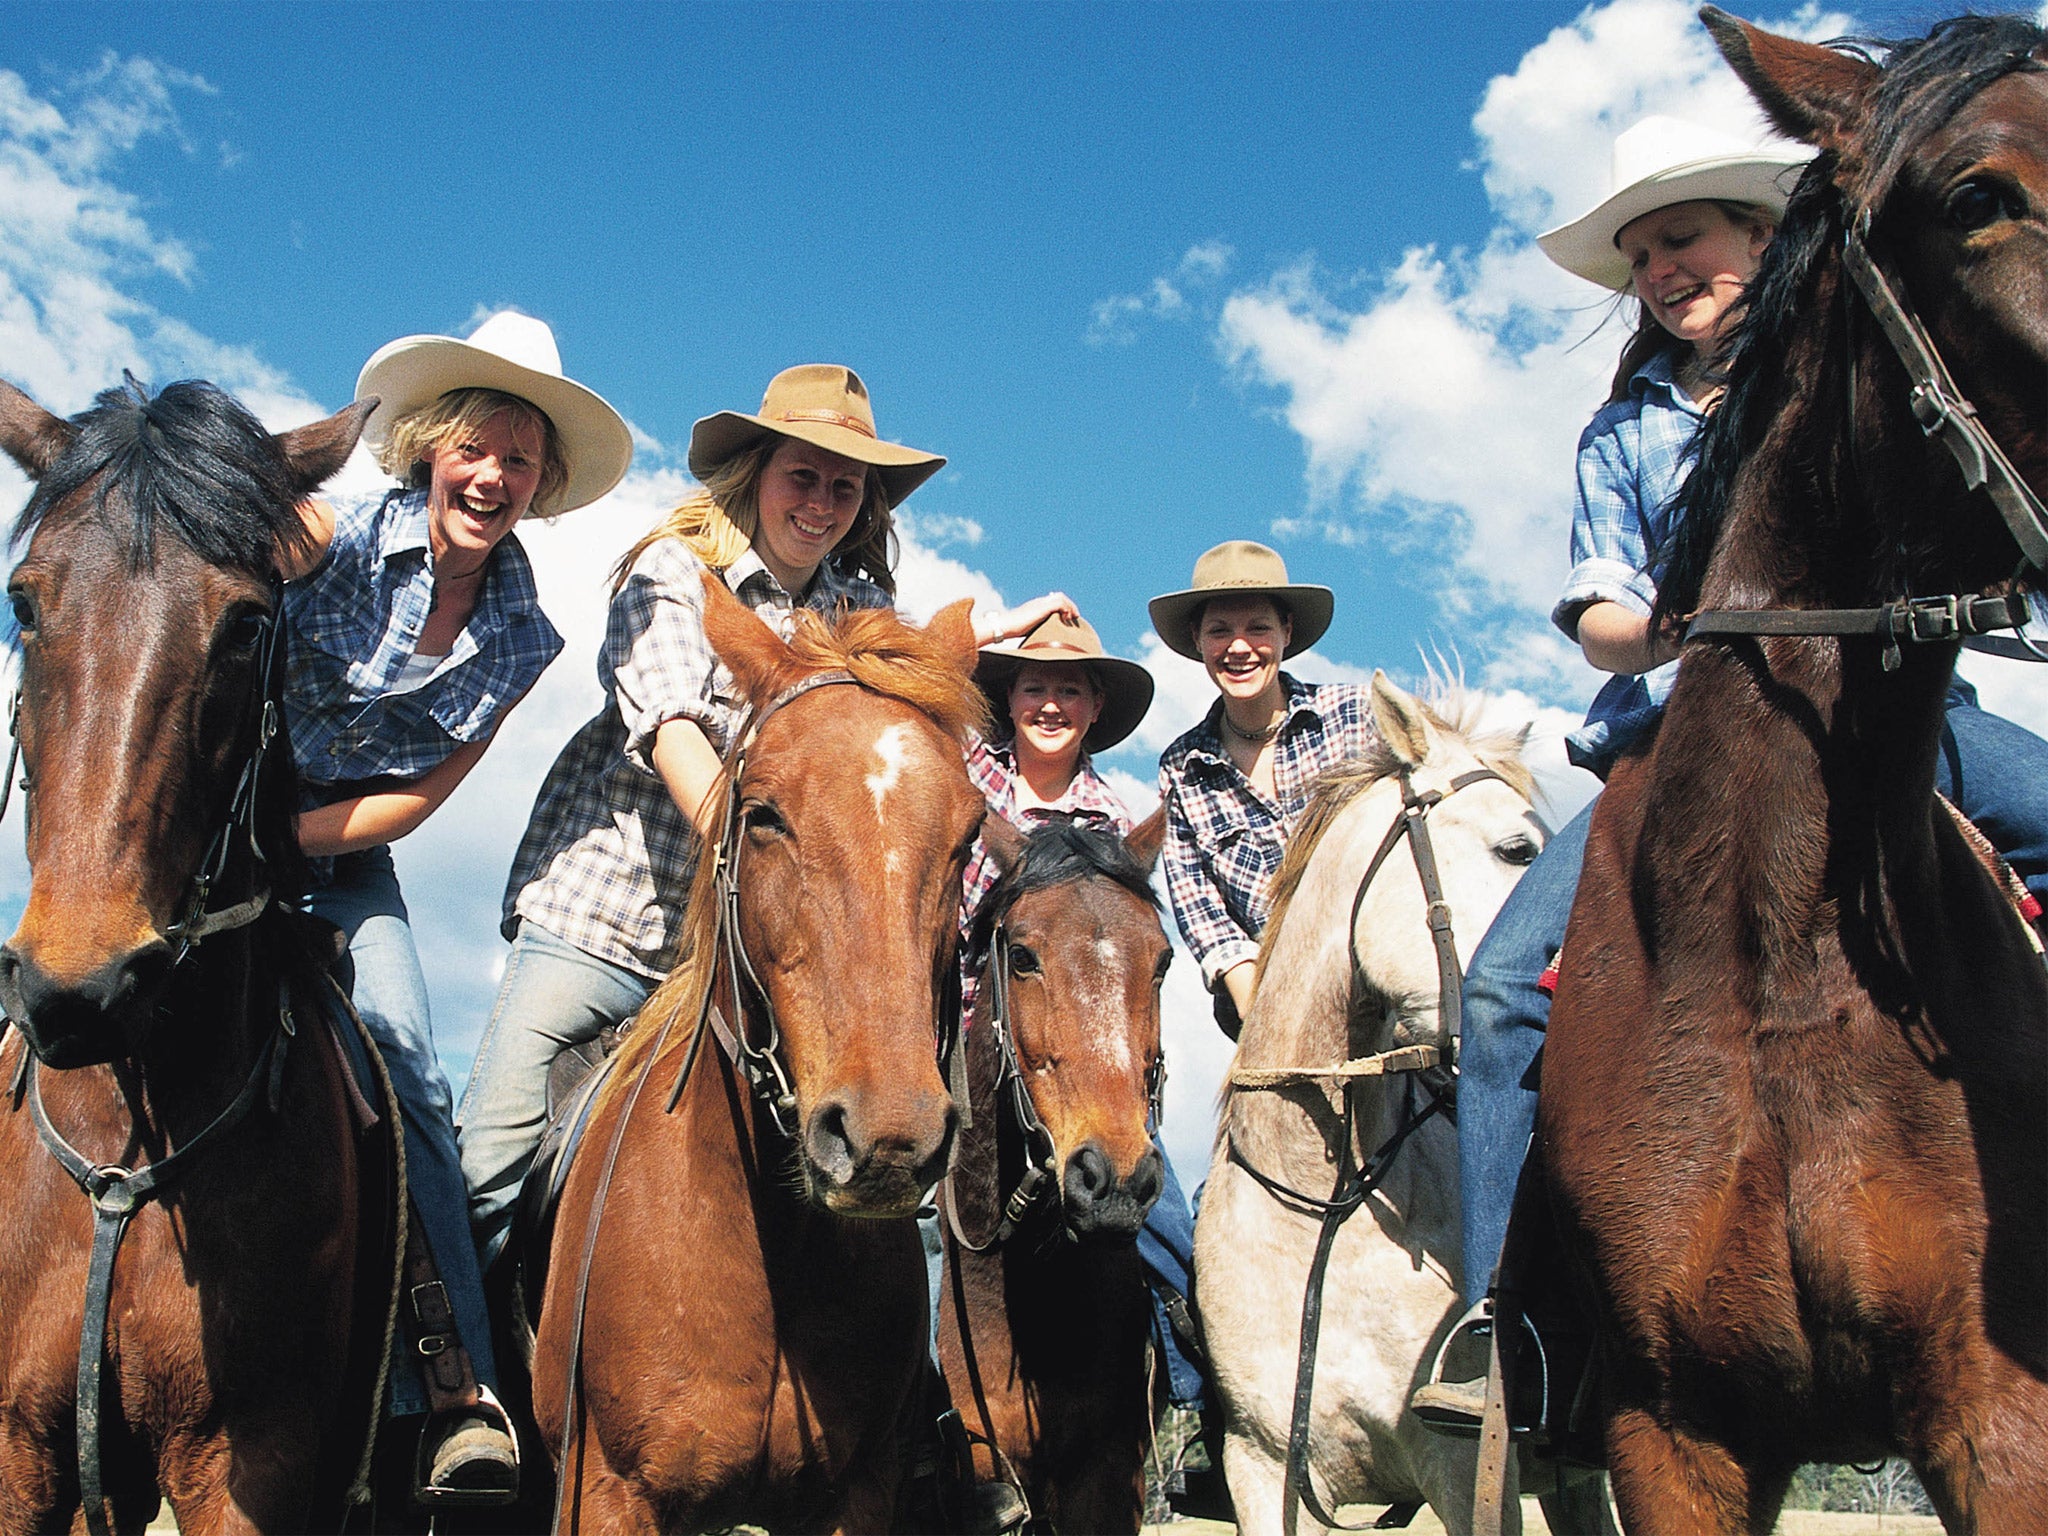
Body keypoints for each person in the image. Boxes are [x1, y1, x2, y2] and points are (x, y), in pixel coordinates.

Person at [1416, 116, 2048, 1427]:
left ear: (1761, 239)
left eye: (1680, 238)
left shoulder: (1858, 364)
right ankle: (1505, 1325)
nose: (1658, 270)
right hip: (1676, 740)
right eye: (1639, 256)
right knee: (1499, 994)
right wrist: (1694, 619)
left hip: (1894, 711)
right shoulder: (1622, 430)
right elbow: (1597, 613)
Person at [455, 363, 1063, 1277]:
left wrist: (977, 646)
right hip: (612, 924)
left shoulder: (859, 612)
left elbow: (892, 756)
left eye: (844, 488)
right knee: (486, 1171)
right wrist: (769, 855)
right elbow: (673, 729)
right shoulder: (672, 572)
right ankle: (455, 1362)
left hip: (761, 959)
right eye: (802, 476)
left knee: (893, 1175)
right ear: (755, 474)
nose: (820, 503)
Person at [282, 310, 632, 1501]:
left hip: (341, 857)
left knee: (409, 1072)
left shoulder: (524, 636)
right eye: (474, 448)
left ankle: (451, 1395)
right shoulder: (320, 539)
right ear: (429, 448)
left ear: (541, 485)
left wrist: (288, 844)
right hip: (207, 830)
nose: (491, 476)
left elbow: (418, 799)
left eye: (518, 460)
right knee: (65, 1000)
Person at [1152, 540, 1380, 1038]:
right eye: (1220, 631)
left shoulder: (1356, 716)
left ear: (1286, 632)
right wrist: (1268, 1016)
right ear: (1197, 640)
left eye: (1258, 627)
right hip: (1270, 1002)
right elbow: (1203, 914)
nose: (1239, 647)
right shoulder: (1181, 768)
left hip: (1383, 983)